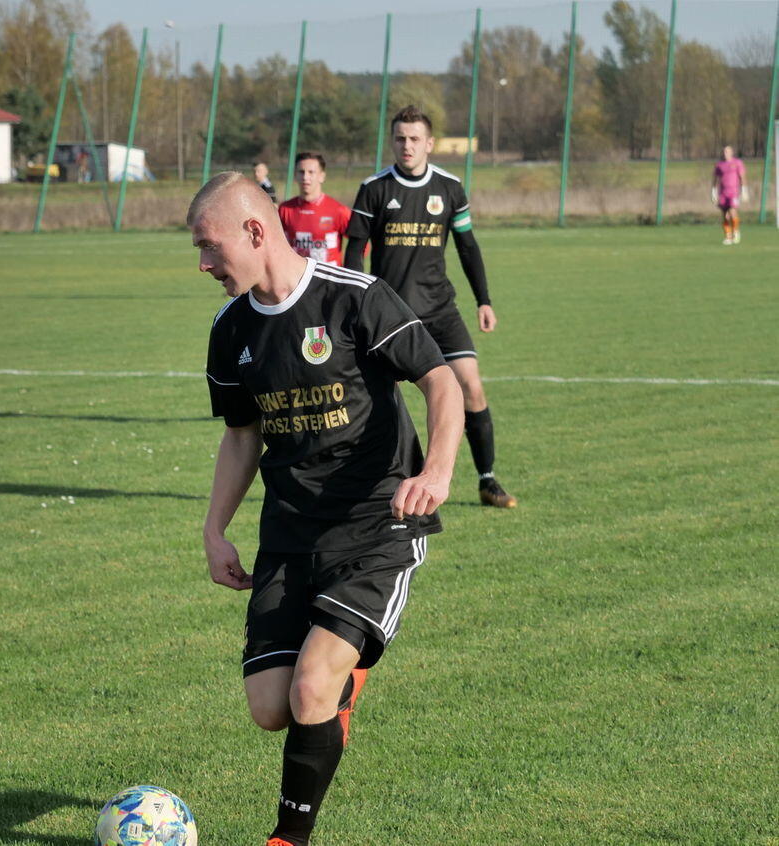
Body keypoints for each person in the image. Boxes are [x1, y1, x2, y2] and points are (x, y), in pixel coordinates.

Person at [193, 172, 463, 846]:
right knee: (270, 707)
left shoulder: (355, 298)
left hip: (377, 524)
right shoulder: (230, 331)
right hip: (290, 532)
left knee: (312, 687)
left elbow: (441, 380)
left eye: (208, 246)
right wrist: (214, 529)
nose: (202, 264)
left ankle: (288, 838)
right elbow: (242, 435)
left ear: (254, 232)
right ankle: (337, 678)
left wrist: (436, 470)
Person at [344, 105, 517, 509]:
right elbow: (355, 251)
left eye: (414, 139)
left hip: (441, 311)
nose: (406, 145)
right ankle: (378, 484)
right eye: (400, 138)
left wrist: (484, 300)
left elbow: (468, 247)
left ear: (430, 143)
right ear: (392, 142)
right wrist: (355, 304)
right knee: (381, 403)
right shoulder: (374, 188)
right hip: (391, 315)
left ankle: (487, 480)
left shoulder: (449, 187)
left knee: (471, 387)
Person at [278, 153, 351, 267]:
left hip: (328, 277)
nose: (305, 177)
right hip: (296, 276)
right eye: (301, 172)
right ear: (295, 175)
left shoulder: (339, 210)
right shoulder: (284, 210)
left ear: (322, 176)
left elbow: (361, 245)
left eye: (311, 172)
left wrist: (348, 271)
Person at [711, 146, 746, 245]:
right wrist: (713, 192)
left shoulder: (737, 163)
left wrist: (744, 190)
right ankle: (728, 236)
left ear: (731, 152)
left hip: (733, 192)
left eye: (727, 151)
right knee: (725, 216)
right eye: (724, 151)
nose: (725, 153)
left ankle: (736, 231)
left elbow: (742, 176)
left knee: (732, 212)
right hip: (723, 193)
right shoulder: (719, 165)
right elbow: (715, 179)